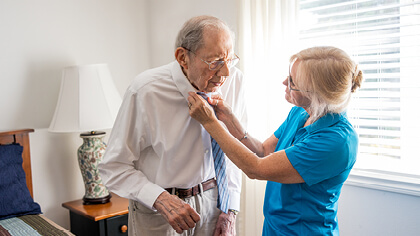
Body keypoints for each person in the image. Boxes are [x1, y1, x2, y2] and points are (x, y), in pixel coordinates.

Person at [188, 46, 363, 236]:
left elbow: (256, 168)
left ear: (317, 94)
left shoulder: (336, 142)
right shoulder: (301, 112)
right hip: (275, 227)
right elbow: (263, 150)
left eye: (293, 82)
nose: (284, 82)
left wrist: (210, 123)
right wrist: (229, 120)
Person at [98, 15, 247, 236]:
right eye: (215, 62)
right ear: (182, 57)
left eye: (230, 59)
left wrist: (230, 209)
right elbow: (113, 167)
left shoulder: (234, 79)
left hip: (216, 203)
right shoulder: (145, 90)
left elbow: (233, 148)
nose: (225, 72)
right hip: (159, 210)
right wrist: (159, 198)